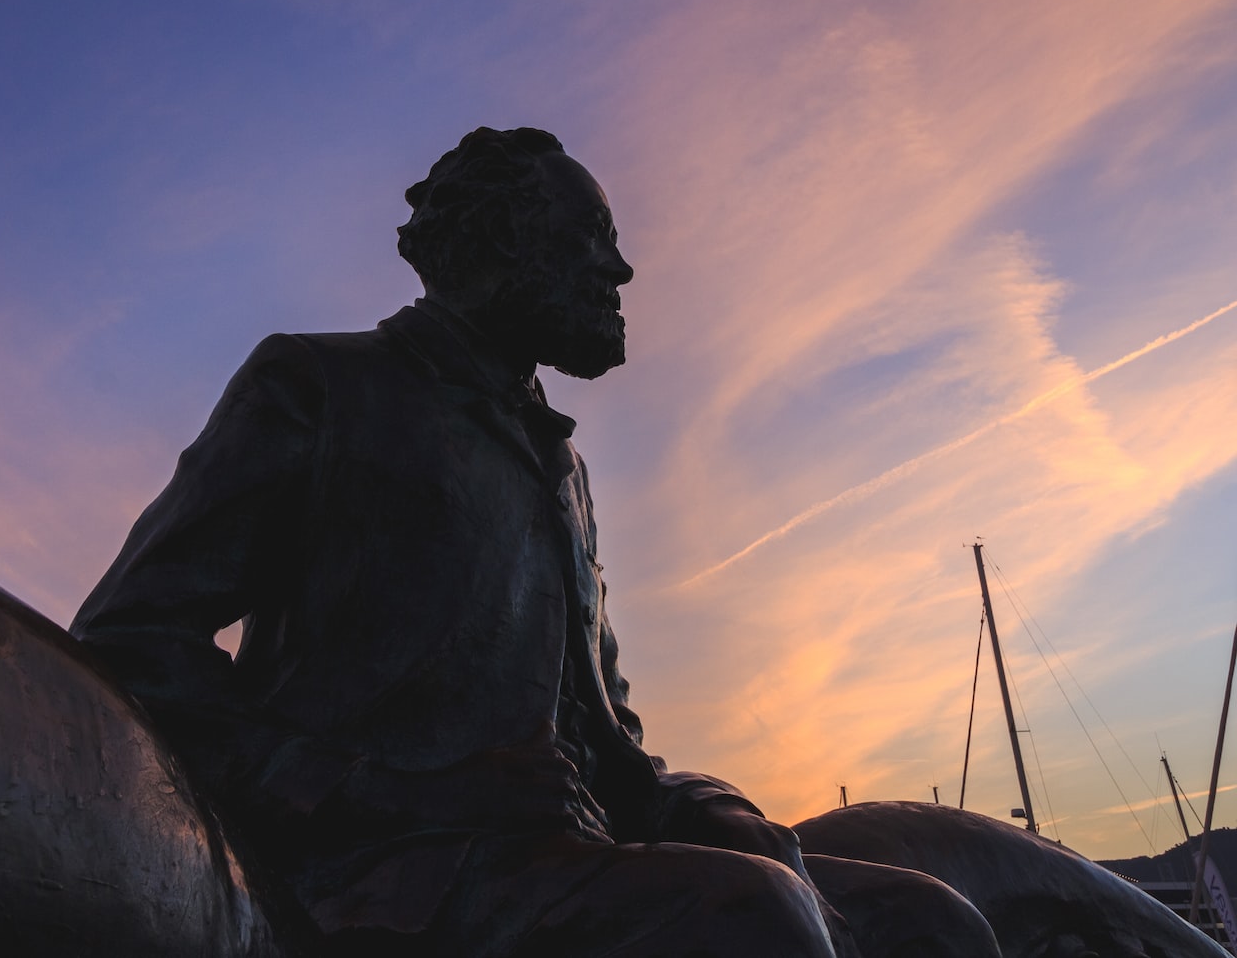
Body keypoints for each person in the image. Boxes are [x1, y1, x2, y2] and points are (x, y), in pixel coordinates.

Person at [71, 128, 997, 956]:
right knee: (752, 919)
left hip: (559, 862)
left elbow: (602, 731)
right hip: (382, 876)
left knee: (929, 921)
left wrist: (692, 803)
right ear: (505, 242)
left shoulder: (565, 466)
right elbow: (131, 644)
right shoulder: (319, 383)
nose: (621, 272)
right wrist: (403, 790)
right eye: (594, 238)